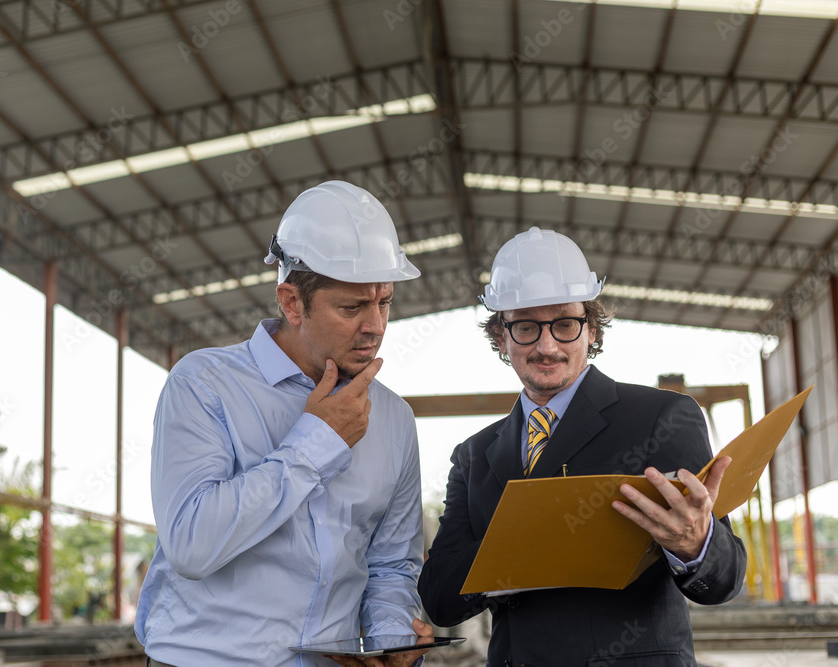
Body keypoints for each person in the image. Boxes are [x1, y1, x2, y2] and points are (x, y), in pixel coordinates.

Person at [134, 180, 434, 667]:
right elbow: (191, 544)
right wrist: (316, 442)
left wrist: (389, 638)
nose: (376, 326)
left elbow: (391, 565)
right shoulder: (204, 384)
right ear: (291, 302)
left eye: (384, 302)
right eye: (352, 307)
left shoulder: (395, 419)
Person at [418, 227, 747, 666]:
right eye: (527, 326)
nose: (547, 345)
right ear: (501, 336)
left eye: (566, 324)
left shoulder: (660, 419)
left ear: (591, 330)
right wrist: (510, 556)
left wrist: (696, 544)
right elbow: (440, 597)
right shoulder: (474, 455)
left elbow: (724, 581)